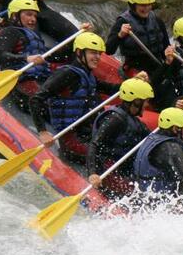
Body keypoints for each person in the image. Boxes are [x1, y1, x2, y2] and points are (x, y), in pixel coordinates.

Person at [30, 32, 131, 163]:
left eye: (99, 54)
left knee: (122, 149)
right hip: (71, 138)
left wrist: (133, 84)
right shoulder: (66, 73)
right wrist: (42, 132)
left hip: (88, 133)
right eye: (93, 53)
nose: (97, 57)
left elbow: (111, 89)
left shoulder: (87, 75)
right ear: (79, 52)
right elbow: (36, 99)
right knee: (108, 158)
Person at [87, 78, 154, 198]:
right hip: (109, 172)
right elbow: (94, 144)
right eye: (146, 101)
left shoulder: (133, 120)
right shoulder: (115, 119)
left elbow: (152, 138)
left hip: (124, 171)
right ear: (137, 101)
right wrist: (93, 173)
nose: (147, 104)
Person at [0, 0, 50, 109]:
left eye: (34, 16)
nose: (33, 19)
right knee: (52, 104)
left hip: (41, 79)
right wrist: (26, 58)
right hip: (21, 81)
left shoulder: (35, 37)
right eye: (29, 15)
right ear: (14, 16)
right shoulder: (9, 32)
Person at [105, 0, 171, 78]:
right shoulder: (122, 22)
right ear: (132, 5)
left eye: (149, 4)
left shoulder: (157, 20)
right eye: (143, 5)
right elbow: (108, 50)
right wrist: (119, 35)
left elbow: (166, 47)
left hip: (157, 67)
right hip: (135, 69)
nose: (147, 8)